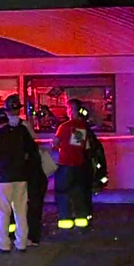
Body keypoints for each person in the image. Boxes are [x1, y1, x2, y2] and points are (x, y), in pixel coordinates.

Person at [0, 103, 38, 253]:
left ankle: (3, 245)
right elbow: (32, 150)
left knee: (2, 212)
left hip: (3, 178)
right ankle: (21, 243)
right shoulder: (21, 131)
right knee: (21, 211)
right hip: (21, 176)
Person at [53, 98, 94, 232]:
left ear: (70, 110)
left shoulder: (64, 127)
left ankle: (66, 222)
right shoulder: (82, 127)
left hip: (65, 165)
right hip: (79, 165)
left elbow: (56, 144)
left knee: (63, 194)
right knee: (79, 194)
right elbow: (83, 146)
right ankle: (81, 223)